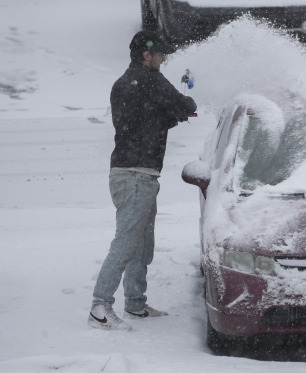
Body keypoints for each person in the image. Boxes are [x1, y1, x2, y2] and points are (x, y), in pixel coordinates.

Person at [87, 30, 197, 331]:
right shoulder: (149, 79)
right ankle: (100, 306)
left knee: (142, 245)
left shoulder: (126, 83)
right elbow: (181, 104)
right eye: (161, 53)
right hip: (135, 175)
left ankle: (135, 303)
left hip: (136, 174)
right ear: (146, 55)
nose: (164, 58)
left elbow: (147, 121)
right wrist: (187, 104)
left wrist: (176, 115)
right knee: (125, 244)